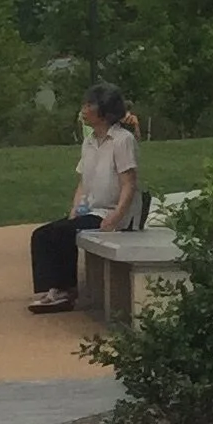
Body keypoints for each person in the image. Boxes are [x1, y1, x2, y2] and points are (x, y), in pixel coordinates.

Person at [28, 86, 140, 312]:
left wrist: (116, 216)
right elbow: (83, 182)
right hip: (91, 210)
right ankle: (55, 287)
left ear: (105, 111)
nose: (84, 110)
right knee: (43, 234)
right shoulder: (88, 142)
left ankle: (64, 291)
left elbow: (129, 182)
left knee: (61, 233)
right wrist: (74, 210)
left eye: (90, 105)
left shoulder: (122, 140)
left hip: (112, 214)